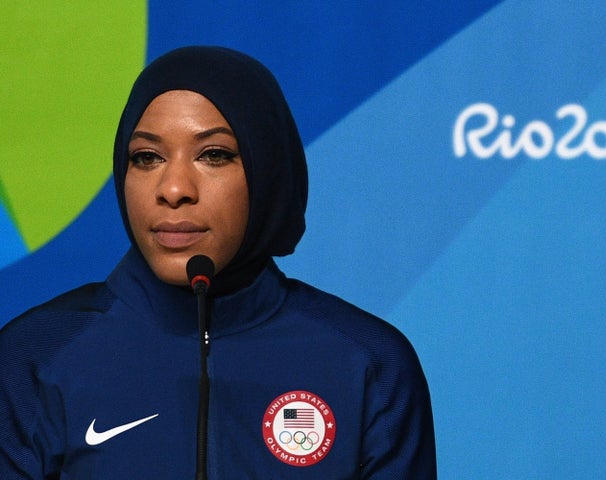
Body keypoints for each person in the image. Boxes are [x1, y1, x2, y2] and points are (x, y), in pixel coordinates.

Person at [0, 46, 436, 478]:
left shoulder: (369, 363)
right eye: (147, 158)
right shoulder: (33, 358)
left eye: (213, 155)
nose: (173, 189)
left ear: (267, 172)